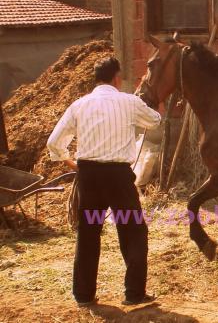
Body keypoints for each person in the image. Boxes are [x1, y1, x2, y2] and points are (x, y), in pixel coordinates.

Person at [47, 57, 162, 306]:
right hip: (118, 177)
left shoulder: (79, 105)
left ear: (95, 79)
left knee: (88, 233)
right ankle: (134, 294)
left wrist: (74, 164)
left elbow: (54, 143)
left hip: (88, 176)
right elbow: (155, 121)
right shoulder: (129, 102)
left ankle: (84, 296)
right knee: (133, 231)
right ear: (117, 78)